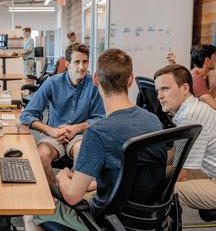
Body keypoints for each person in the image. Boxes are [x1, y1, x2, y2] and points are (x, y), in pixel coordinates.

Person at [25, 48, 167, 231]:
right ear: (131, 79)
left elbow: (72, 197)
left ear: (95, 80)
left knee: (30, 212)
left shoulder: (98, 133)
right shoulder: (153, 120)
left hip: (106, 221)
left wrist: (61, 177)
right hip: (148, 218)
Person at [20, 43, 105, 184]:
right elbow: (27, 114)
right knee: (41, 155)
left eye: (85, 62)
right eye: (77, 62)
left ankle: (72, 192)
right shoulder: (52, 83)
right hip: (54, 134)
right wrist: (51, 131)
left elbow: (100, 118)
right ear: (67, 64)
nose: (82, 67)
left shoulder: (94, 85)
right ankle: (54, 193)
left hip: (79, 136)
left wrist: (76, 128)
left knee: (83, 153)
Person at [154, 64, 216, 210]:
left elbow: (180, 173)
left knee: (167, 190)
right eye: (157, 90)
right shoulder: (191, 109)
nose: (159, 96)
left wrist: (139, 179)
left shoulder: (190, 116)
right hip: (209, 172)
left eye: (165, 89)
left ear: (185, 88)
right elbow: (176, 155)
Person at [167, 44, 216, 109]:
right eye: (214, 57)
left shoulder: (193, 74)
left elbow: (207, 97)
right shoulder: (196, 79)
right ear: (207, 60)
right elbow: (213, 106)